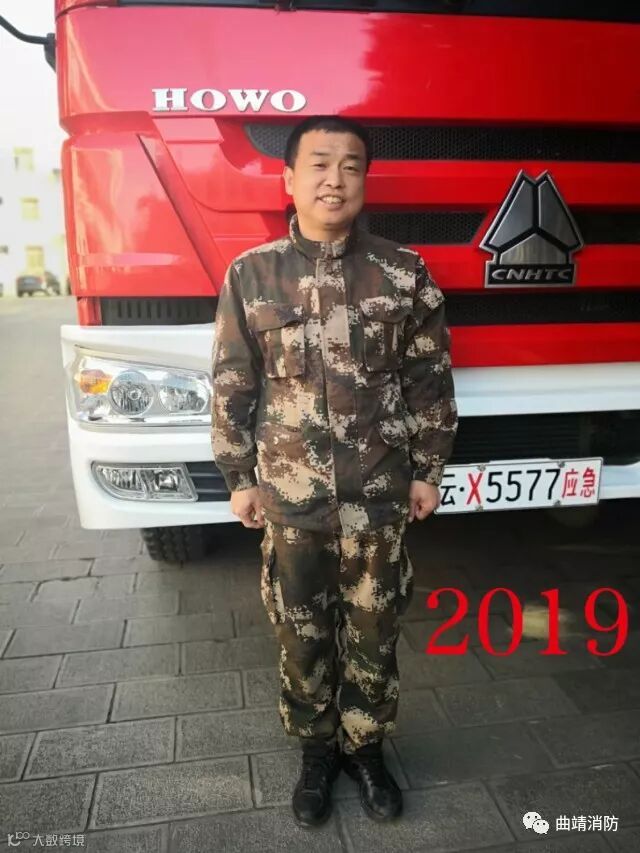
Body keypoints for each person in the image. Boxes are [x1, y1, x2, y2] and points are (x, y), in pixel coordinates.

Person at [211, 115, 458, 827]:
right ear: (288, 179)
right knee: (301, 630)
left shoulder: (402, 272)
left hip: (379, 493)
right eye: (318, 164)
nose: (335, 179)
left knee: (375, 631)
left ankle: (367, 748)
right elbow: (231, 383)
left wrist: (429, 469)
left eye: (351, 165)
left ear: (364, 180)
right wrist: (239, 476)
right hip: (292, 499)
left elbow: (430, 381)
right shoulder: (252, 274)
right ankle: (316, 752)